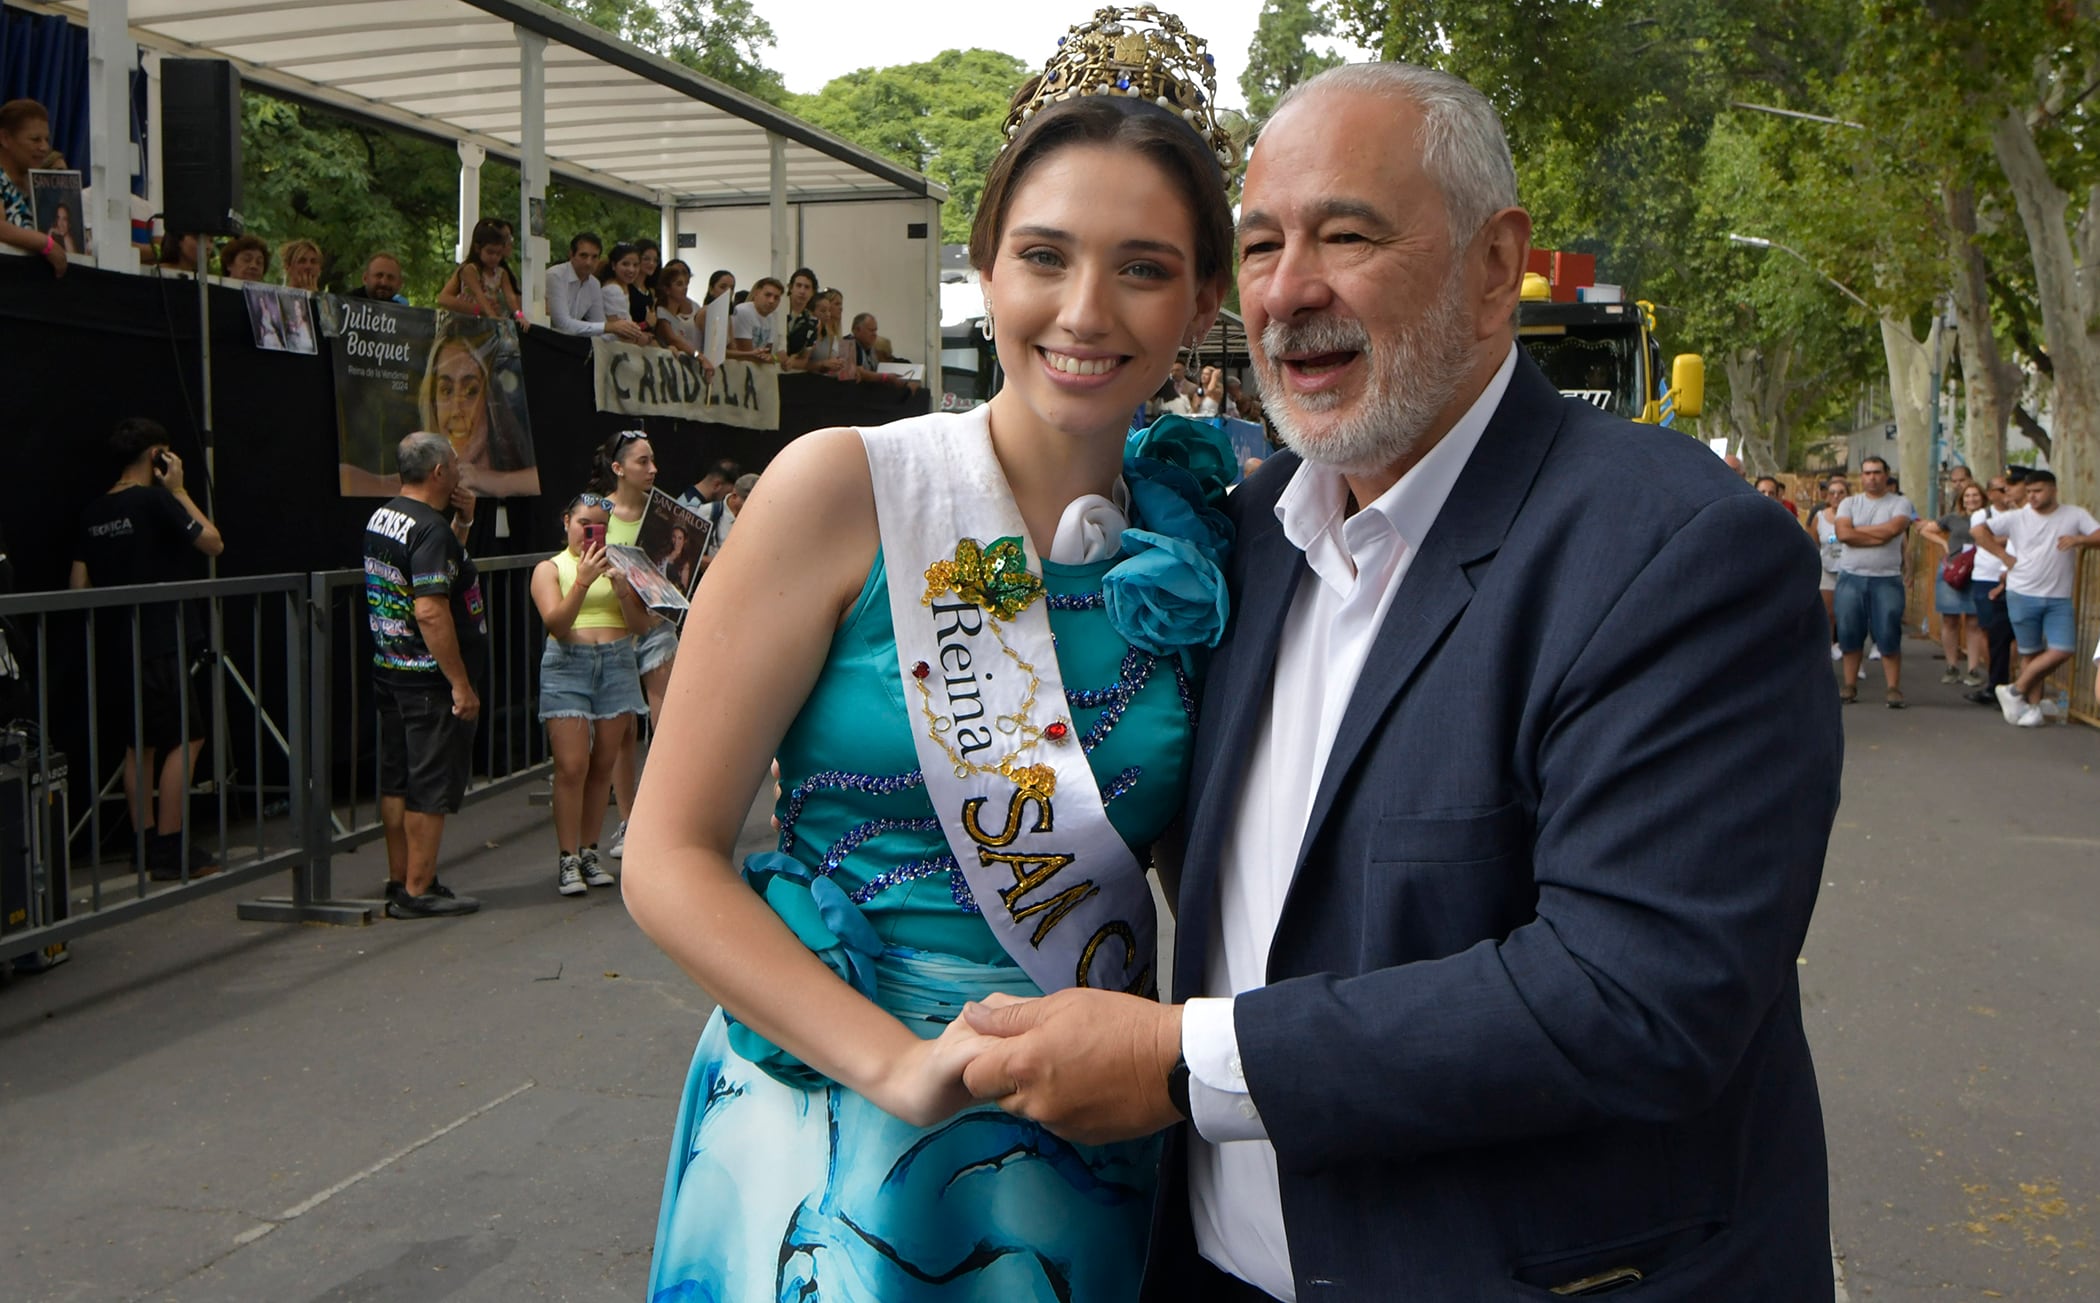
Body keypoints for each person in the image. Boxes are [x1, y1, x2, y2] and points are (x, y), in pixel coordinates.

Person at [953, 60, 1842, 1302]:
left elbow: (1637, 995)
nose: (1291, 291)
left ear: (1495, 265)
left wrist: (1178, 1060)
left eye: (1347, 235)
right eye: (1260, 246)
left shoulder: (1675, 548)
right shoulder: (1241, 536)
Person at [623, 23, 1239, 1295]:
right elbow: (667, 856)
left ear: (1202, 301)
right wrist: (894, 1065)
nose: (1084, 311)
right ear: (985, 267)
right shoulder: (847, 489)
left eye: (1142, 268)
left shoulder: (1196, 547)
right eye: (1044, 256)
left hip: (1085, 1135)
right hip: (831, 1127)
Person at [69, 418, 226, 881]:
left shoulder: (94, 511)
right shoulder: (157, 499)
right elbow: (212, 542)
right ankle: (171, 848)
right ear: (158, 456)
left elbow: (78, 585)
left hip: (118, 642)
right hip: (162, 636)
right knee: (186, 737)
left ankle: (143, 843)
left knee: (140, 745)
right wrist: (178, 490)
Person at [363, 433, 485, 919]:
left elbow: (438, 569)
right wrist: (459, 683)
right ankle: (418, 888)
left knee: (397, 781)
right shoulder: (428, 529)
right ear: (438, 473)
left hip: (391, 669)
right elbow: (432, 609)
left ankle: (401, 879)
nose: (459, 470)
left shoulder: (386, 516)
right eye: (454, 463)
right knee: (429, 785)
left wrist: (465, 520)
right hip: (427, 680)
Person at [531, 491, 650, 897]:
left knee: (604, 765)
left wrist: (621, 589)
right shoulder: (551, 568)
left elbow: (641, 626)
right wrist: (582, 582)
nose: (591, 534)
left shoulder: (621, 563)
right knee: (571, 765)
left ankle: (588, 850)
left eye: (600, 527)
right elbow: (557, 623)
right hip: (568, 664)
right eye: (585, 525)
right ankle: (567, 857)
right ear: (567, 521)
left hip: (616, 662)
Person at [592, 432, 678, 862]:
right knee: (622, 732)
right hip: (613, 627)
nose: (652, 469)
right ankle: (629, 821)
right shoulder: (596, 512)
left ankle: (668, 818)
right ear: (618, 467)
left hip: (656, 624)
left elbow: (683, 565)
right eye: (643, 461)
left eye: (654, 460)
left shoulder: (665, 512)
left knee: (666, 725)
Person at [1975, 468, 2100, 727]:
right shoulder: (2016, 517)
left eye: (2038, 491)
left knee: (2063, 649)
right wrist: (2002, 555)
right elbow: (1978, 530)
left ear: (2053, 490)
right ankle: (2031, 708)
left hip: (2059, 596)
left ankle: (2013, 690)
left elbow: (2098, 534)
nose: (2032, 496)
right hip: (2022, 592)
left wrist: (2080, 539)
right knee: (2031, 653)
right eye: (2029, 491)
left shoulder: (2074, 514)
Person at [417, 330, 539, 498]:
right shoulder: (419, 478)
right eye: (446, 390)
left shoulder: (522, 469)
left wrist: (492, 481)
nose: (456, 411)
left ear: (491, 400)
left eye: (471, 391)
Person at [1834, 456, 1916, 706]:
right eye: (1867, 473)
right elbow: (1843, 534)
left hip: (1887, 579)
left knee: (1889, 631)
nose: (1872, 477)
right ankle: (1849, 685)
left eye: (1877, 472)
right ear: (1861, 477)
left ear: (1887, 474)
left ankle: (1893, 689)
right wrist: (1879, 534)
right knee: (1849, 631)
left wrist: (1858, 532)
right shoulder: (1849, 502)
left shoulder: (1900, 502)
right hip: (1851, 577)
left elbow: (1895, 529)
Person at [1920, 480, 1987, 686]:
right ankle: (1952, 666)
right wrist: (1943, 543)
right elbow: (1925, 529)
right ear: (1961, 500)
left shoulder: (1989, 518)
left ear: (1983, 498)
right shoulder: (1953, 518)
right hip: (1953, 570)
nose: (1971, 499)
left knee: (1974, 621)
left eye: (1975, 495)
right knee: (1950, 619)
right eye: (1967, 496)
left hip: (1978, 571)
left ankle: (1974, 669)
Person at [1964, 473, 2019, 705]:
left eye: (2009, 488)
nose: (2006, 494)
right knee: (1991, 631)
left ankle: (2012, 681)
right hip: (1987, 577)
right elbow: (1979, 536)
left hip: (2016, 580)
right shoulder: (1983, 515)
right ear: (1991, 494)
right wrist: (2003, 546)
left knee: (2017, 636)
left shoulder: (2021, 514)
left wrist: (1999, 539)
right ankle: (1995, 681)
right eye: (2001, 489)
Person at [0, 100, 66, 278]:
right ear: (5, 138)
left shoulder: (39, 185)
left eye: (46, 140)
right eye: (35, 139)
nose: (44, 147)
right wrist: (44, 243)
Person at [438, 218, 526, 327]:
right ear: (478, 248)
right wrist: (486, 313)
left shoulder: (502, 273)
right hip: (467, 322)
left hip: (488, 324)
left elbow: (511, 298)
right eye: (490, 252)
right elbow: (477, 294)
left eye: (498, 253)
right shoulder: (469, 269)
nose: (494, 257)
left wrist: (520, 316)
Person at [650, 262, 717, 376]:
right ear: (667, 289)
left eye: (686, 284)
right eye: (679, 284)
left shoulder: (677, 317)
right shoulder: (662, 313)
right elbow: (674, 340)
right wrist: (699, 357)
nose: (685, 288)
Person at [1810, 473, 1848, 658]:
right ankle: (1827, 650)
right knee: (1828, 613)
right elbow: (1814, 543)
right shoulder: (1820, 516)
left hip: (1849, 569)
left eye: (1841, 493)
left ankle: (1852, 655)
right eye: (1832, 492)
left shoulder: (1854, 516)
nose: (1836, 496)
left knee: (1848, 615)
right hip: (1827, 568)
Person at [597, 241, 653, 333]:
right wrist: (646, 324)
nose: (631, 270)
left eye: (635, 265)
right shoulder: (613, 290)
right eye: (625, 264)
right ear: (614, 265)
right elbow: (620, 331)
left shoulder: (624, 287)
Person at [728, 277, 783, 362]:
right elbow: (747, 355)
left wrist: (773, 358)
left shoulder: (772, 316)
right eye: (768, 295)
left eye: (776, 298)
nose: (772, 301)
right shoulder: (743, 311)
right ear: (756, 293)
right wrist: (776, 358)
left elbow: (767, 353)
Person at [676, 460, 741, 512]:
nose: (727, 498)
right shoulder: (688, 510)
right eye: (727, 493)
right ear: (717, 485)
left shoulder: (685, 499)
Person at [782, 267, 821, 355]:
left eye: (807, 287)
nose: (802, 291)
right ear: (791, 288)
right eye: (798, 285)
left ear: (813, 292)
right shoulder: (778, 308)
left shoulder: (812, 321)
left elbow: (805, 355)